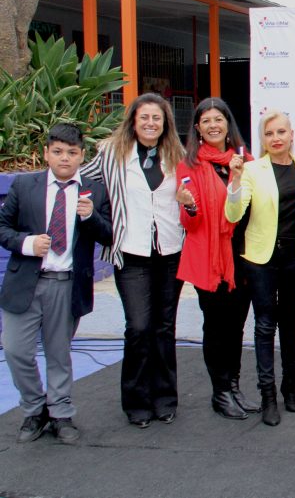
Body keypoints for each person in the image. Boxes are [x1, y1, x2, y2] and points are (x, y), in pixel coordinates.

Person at [0, 124, 112, 444]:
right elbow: (2, 226)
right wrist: (26, 243)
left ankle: (61, 413)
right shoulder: (25, 186)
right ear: (46, 153)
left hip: (67, 285)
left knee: (59, 354)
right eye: (58, 152)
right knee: (15, 349)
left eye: (72, 153)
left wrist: (92, 217)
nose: (65, 158)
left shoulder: (94, 190)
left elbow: (109, 235)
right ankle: (35, 408)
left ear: (82, 156)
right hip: (26, 282)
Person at [80, 93, 186, 428]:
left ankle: (165, 398)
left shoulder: (177, 153)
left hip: (170, 252)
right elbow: (83, 179)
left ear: (165, 122)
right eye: (144, 118)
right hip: (131, 253)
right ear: (133, 121)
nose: (151, 124)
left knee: (164, 328)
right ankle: (137, 401)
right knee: (139, 327)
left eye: (157, 118)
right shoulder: (111, 153)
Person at [225, 110, 295, 426]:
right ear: (263, 139)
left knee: (290, 322)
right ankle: (268, 395)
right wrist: (233, 181)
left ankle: (290, 389)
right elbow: (233, 214)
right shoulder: (250, 170)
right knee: (264, 325)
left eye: (281, 132)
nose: (276, 138)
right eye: (269, 133)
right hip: (260, 259)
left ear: (291, 135)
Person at [176, 97, 257, 420]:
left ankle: (234, 386)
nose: (213, 125)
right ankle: (220, 392)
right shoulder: (190, 165)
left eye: (218, 119)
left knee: (237, 325)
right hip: (209, 258)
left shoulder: (246, 160)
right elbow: (190, 222)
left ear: (228, 124)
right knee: (216, 326)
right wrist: (189, 206)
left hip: (243, 256)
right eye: (206, 121)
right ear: (197, 127)